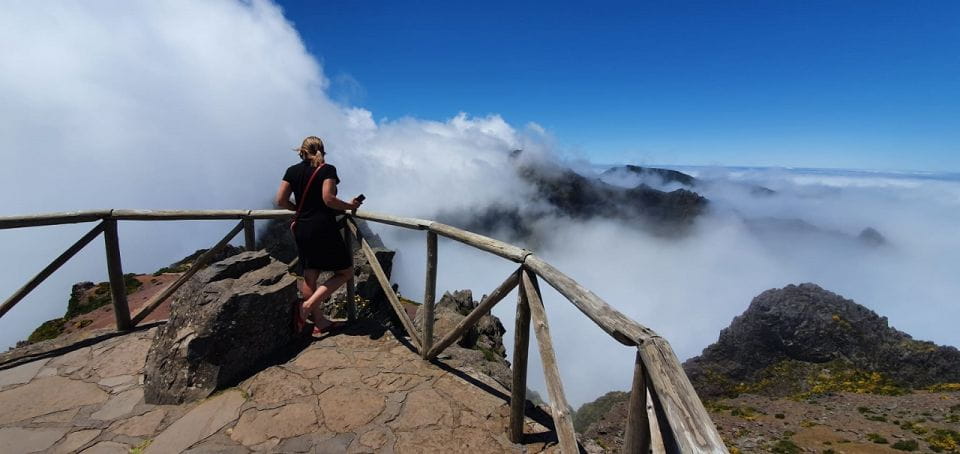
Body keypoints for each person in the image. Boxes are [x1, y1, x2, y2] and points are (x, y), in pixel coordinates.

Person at [275, 136, 363, 335]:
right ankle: (305, 308)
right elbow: (328, 199)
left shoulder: (292, 171)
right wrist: (350, 206)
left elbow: (280, 200)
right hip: (322, 227)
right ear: (322, 150)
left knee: (310, 275)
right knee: (345, 272)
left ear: (301, 151)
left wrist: (299, 209)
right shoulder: (327, 169)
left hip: (301, 227)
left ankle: (320, 323)